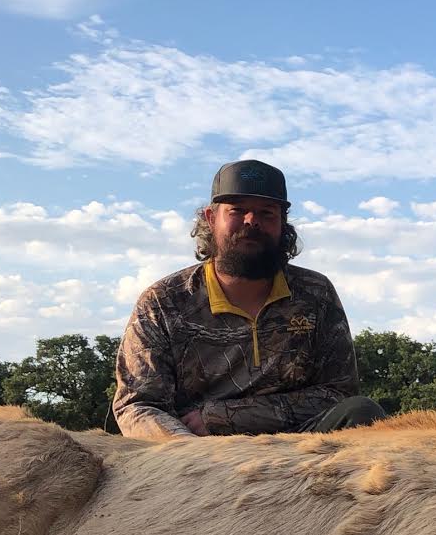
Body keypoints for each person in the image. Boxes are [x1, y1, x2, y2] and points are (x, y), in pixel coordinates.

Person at [113, 159, 385, 440]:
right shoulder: (163, 301)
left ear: (282, 223)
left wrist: (222, 417)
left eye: (266, 213)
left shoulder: (316, 293)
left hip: (304, 448)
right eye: (237, 210)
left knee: (362, 412)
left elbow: (338, 393)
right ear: (210, 217)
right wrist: (190, 454)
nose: (251, 221)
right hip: (199, 453)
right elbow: (138, 404)